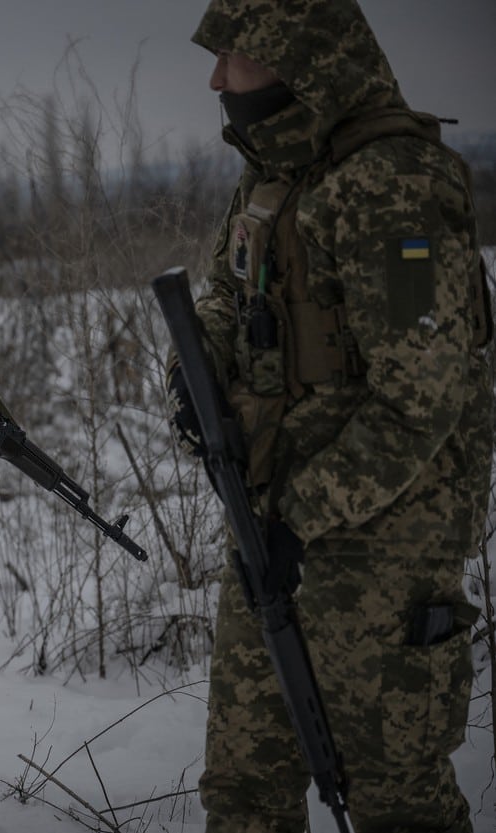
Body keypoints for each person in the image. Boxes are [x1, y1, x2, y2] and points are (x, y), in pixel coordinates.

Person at [172, 1, 494, 831]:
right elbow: (223, 294)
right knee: (243, 789)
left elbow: (422, 400)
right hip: (270, 527)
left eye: (234, 57)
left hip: (380, 554)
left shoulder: (393, 183)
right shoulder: (274, 174)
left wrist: (300, 519)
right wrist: (192, 365)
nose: (216, 79)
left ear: (296, 59)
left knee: (398, 801)